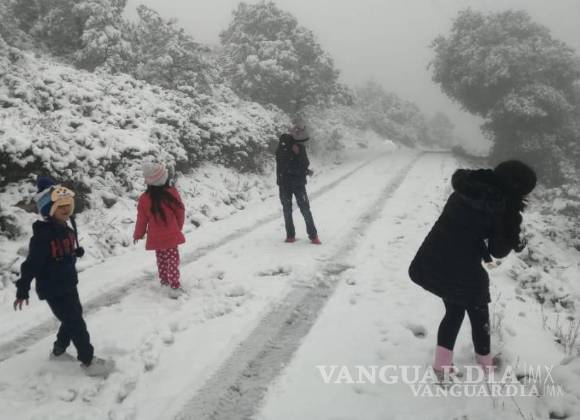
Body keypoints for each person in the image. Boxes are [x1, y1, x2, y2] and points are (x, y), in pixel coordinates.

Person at [408, 160, 537, 375]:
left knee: (455, 310)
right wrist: (514, 235)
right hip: (462, 269)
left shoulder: (466, 188)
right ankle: (485, 364)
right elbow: (498, 251)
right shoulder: (502, 209)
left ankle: (442, 365)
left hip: (431, 260)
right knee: (479, 312)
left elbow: (467, 225)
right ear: (517, 188)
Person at [14, 176, 114, 377]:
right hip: (53, 288)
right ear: (49, 210)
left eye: (68, 204)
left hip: (68, 282)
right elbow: (31, 265)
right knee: (76, 322)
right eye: (60, 206)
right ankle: (88, 361)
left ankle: (59, 351)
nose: (66, 209)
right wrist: (22, 288)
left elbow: (61, 252)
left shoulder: (66, 227)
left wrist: (74, 252)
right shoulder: (42, 237)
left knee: (73, 317)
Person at [133, 162, 186, 298]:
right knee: (172, 260)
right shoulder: (172, 193)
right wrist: (177, 228)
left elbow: (141, 219)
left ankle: (164, 282)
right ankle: (174, 286)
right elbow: (180, 212)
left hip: (156, 238)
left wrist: (138, 234)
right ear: (163, 179)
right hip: (171, 236)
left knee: (161, 260)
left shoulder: (144, 198)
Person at [276, 119, 320, 244]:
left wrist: (304, 170)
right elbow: (303, 164)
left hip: (284, 182)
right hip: (296, 183)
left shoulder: (282, 144)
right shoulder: (297, 146)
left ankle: (291, 236)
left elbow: (283, 164)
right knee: (304, 209)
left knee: (287, 210)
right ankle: (313, 237)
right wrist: (304, 167)